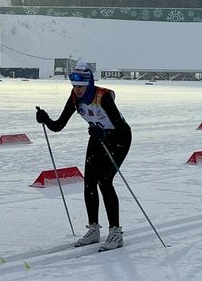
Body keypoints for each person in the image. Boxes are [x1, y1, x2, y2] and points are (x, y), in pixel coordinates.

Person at [35, 61, 132, 252]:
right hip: (97, 136)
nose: (77, 90)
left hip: (119, 139)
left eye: (80, 86)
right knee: (89, 182)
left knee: (105, 181)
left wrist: (104, 134)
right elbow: (58, 126)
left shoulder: (103, 97)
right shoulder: (74, 98)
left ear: (88, 83)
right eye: (74, 86)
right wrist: (45, 119)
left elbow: (120, 127)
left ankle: (116, 233)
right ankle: (93, 229)